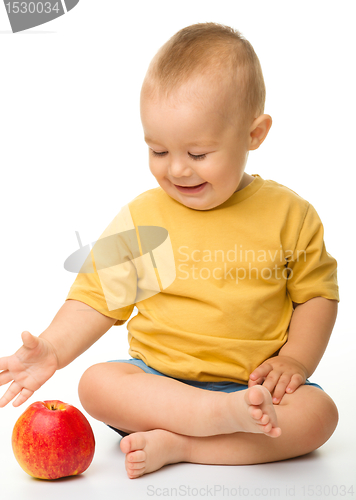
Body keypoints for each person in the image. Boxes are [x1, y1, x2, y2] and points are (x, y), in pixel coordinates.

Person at [0, 22, 339, 480]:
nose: (177, 169)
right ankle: (216, 421)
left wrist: (295, 361)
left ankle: (183, 444)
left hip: (254, 387)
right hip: (160, 382)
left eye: (198, 154)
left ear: (254, 134)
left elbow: (315, 296)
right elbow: (99, 299)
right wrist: (53, 350)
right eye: (158, 150)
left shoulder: (288, 215)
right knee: (97, 383)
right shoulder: (147, 218)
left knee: (320, 415)